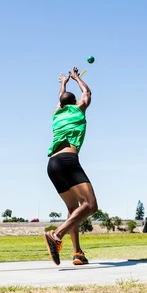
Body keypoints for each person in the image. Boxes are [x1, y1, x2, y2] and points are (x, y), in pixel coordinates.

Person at [44, 66, 98, 266]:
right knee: (90, 205)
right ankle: (56, 235)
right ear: (74, 102)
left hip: (52, 165)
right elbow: (88, 93)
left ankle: (77, 253)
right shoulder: (78, 109)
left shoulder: (56, 114)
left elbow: (61, 99)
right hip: (68, 160)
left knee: (73, 208)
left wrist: (63, 84)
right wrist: (76, 78)